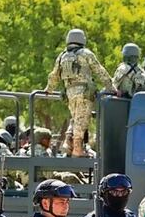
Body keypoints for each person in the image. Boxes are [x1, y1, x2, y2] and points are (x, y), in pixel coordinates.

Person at [44, 28, 116, 156]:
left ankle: (68, 143)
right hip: (84, 93)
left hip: (69, 93)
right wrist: (112, 88)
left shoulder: (62, 56)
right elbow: (100, 71)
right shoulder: (86, 54)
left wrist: (49, 89)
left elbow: (54, 75)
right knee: (82, 120)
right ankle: (77, 149)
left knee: (76, 118)